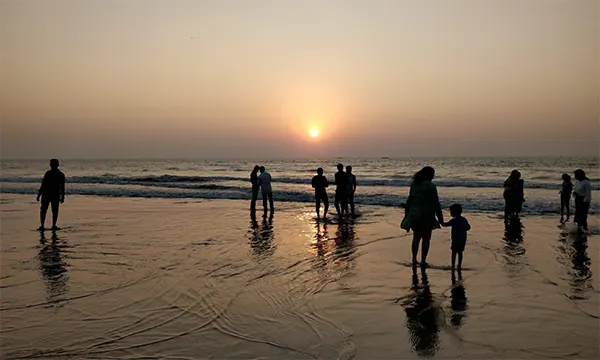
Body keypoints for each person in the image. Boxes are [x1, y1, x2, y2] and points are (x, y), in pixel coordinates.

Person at [402, 166, 443, 268]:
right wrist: (440, 218)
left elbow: (409, 201)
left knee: (416, 237)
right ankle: (423, 261)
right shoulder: (431, 186)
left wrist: (406, 215)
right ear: (429, 175)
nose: (433, 177)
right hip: (427, 214)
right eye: (432, 175)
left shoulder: (414, 184)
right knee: (426, 238)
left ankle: (414, 259)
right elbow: (436, 203)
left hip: (415, 214)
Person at [37, 159, 65, 231]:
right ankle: (52, 225)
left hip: (48, 194)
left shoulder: (49, 173)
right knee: (53, 210)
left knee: (44, 210)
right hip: (53, 194)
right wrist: (63, 197)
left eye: (51, 163)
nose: (50, 164)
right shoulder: (60, 174)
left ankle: (43, 225)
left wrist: (39, 194)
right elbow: (62, 187)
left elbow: (43, 184)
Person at [441, 204, 471, 270]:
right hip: (463, 239)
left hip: (455, 239)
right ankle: (459, 265)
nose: (450, 213)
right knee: (460, 252)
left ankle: (453, 265)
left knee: (454, 252)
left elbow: (445, 224)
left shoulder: (454, 220)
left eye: (451, 211)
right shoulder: (464, 219)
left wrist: (440, 221)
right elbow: (468, 227)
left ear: (455, 212)